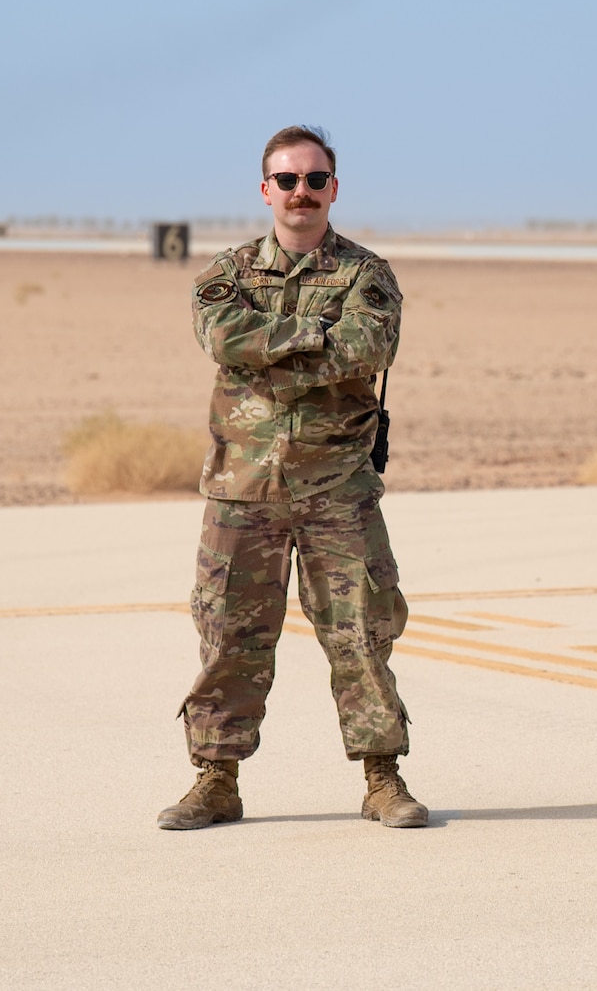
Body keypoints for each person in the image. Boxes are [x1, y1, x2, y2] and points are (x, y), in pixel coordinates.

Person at [157, 124, 427, 830]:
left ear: (334, 189)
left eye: (314, 180)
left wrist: (272, 350)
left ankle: (382, 779)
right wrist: (317, 340)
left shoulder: (368, 276)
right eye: (288, 180)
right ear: (265, 189)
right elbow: (225, 338)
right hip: (243, 492)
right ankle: (216, 781)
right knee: (229, 638)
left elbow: (367, 345)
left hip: (338, 491)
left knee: (361, 636)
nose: (301, 192)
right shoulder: (226, 275)